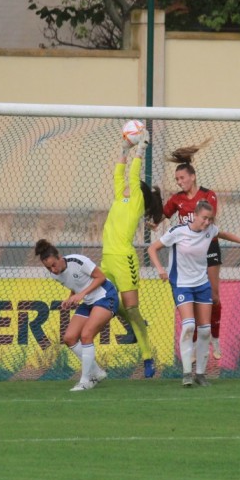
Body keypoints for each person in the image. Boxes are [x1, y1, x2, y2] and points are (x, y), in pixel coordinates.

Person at [149, 200, 240, 387]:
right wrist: (160, 269)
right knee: (189, 326)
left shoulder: (210, 230)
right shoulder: (178, 231)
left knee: (205, 330)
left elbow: (223, 234)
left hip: (202, 284)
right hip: (182, 284)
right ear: (195, 215)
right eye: (204, 218)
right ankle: (186, 374)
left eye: (210, 219)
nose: (207, 222)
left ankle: (200, 374)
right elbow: (152, 248)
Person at [100, 135, 163, 378]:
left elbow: (133, 176)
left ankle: (147, 357)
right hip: (107, 259)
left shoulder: (135, 199)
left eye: (130, 183)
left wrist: (140, 150)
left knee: (132, 308)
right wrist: (123, 149)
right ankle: (132, 328)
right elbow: (119, 174)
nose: (125, 183)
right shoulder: (120, 195)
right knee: (107, 301)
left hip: (124, 259)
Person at [162, 142, 226, 361]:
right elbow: (161, 216)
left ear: (192, 176)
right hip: (188, 255)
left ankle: (214, 338)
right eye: (177, 180)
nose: (179, 182)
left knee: (213, 297)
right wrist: (153, 220)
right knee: (193, 301)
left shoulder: (208, 196)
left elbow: (210, 221)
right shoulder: (176, 200)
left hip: (208, 248)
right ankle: (197, 346)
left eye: (182, 178)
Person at [35, 239, 114, 391]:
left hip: (105, 296)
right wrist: (71, 298)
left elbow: (101, 277)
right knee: (69, 338)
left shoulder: (78, 261)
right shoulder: (55, 275)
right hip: (89, 301)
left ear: (59, 257)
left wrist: (81, 294)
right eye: (48, 268)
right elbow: (75, 285)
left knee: (86, 335)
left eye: (53, 265)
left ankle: (86, 380)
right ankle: (97, 372)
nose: (53, 270)